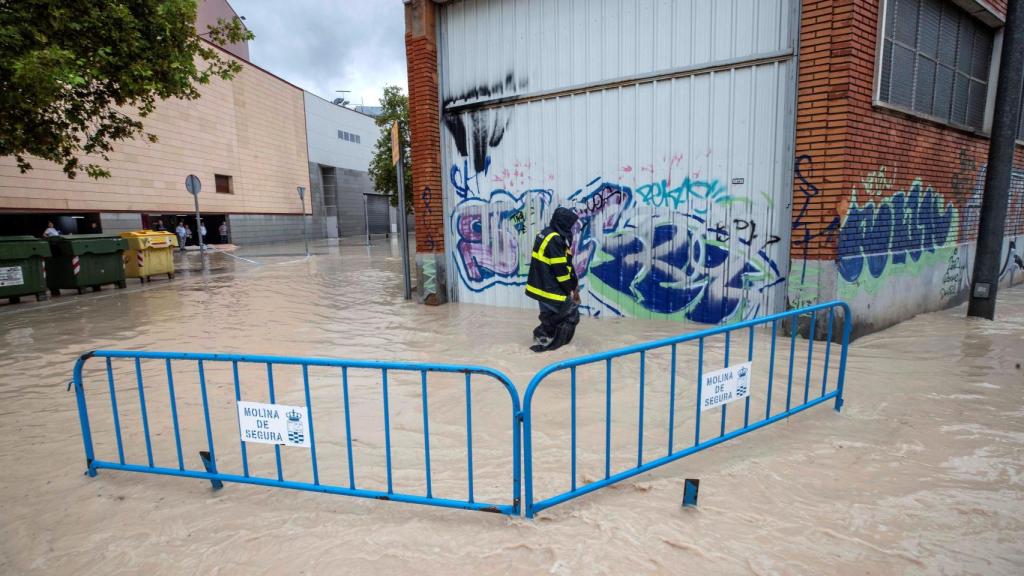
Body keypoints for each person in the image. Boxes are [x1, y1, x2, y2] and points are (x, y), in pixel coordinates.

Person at [525, 207, 581, 352]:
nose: (571, 228)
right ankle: (553, 349)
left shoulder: (545, 234)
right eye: (569, 225)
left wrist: (573, 284)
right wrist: (569, 289)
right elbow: (560, 271)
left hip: (539, 287)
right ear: (563, 223)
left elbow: (559, 263)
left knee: (551, 314)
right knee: (571, 312)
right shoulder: (555, 239)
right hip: (548, 288)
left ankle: (543, 337)